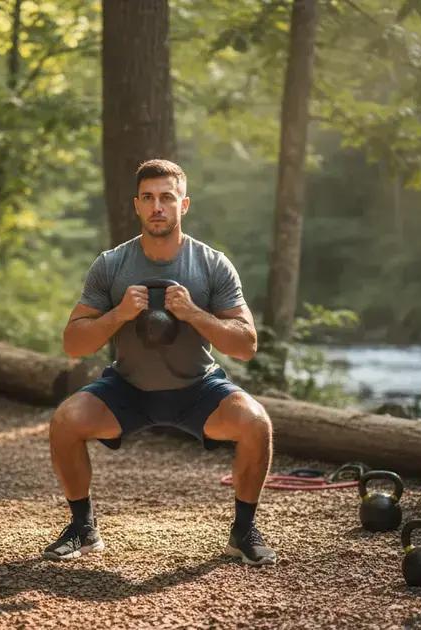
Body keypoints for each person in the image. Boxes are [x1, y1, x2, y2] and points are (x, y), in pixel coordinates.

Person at [43, 158, 277, 566]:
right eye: (148, 198)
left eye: (167, 198)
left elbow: (246, 345)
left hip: (198, 389)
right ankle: (83, 527)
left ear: (183, 205)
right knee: (66, 420)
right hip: (127, 388)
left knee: (256, 423)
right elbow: (73, 343)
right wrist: (116, 315)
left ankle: (243, 531)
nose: (157, 207)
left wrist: (194, 315)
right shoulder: (112, 264)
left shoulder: (212, 264)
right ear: (136, 205)